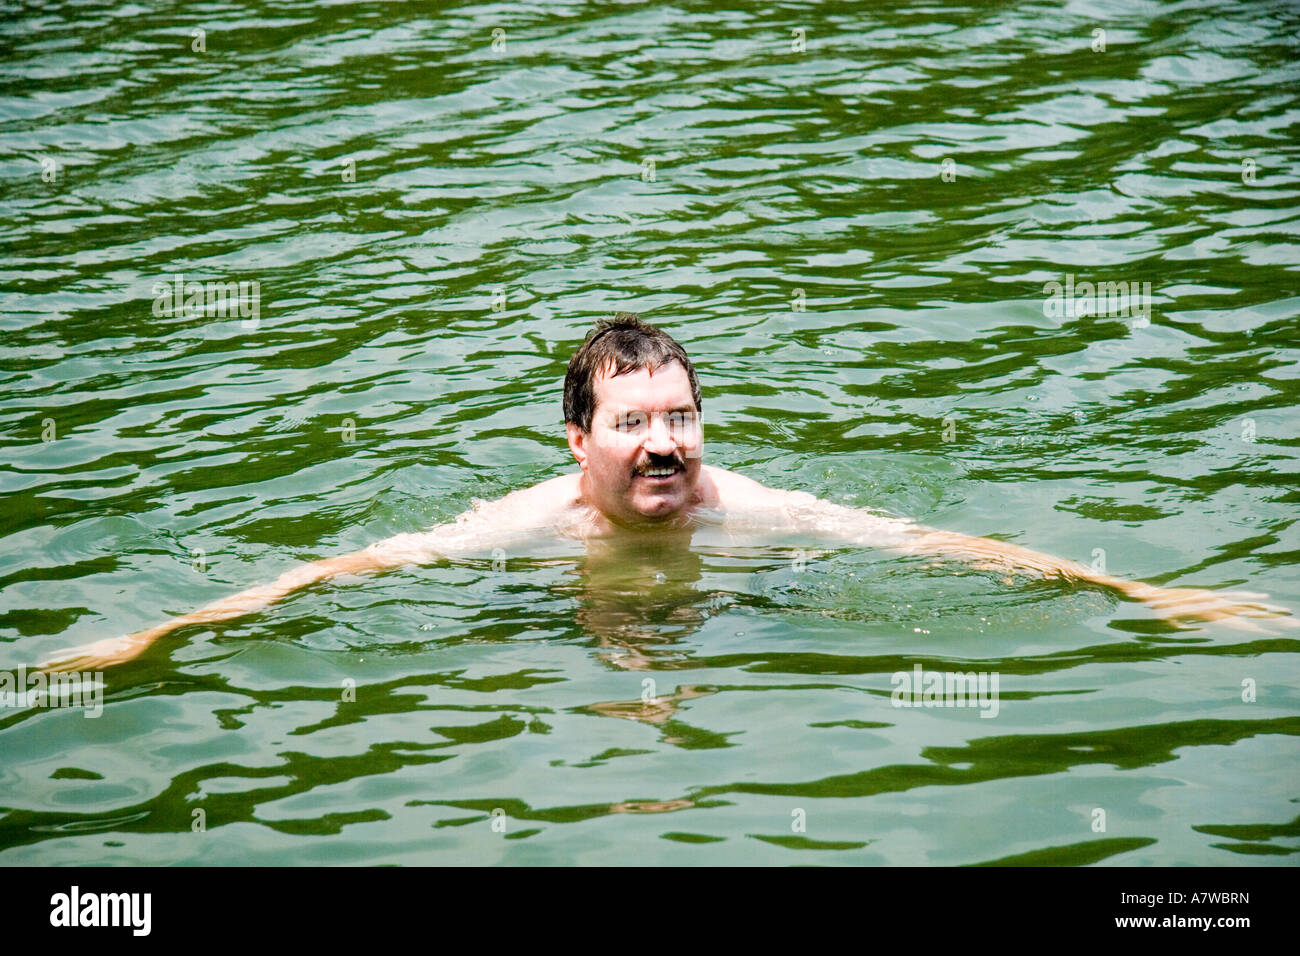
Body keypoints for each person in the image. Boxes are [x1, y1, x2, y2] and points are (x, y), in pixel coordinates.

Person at [41, 313, 1292, 672]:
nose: (664, 446)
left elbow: (939, 543)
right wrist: (156, 631)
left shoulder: (747, 508)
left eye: (680, 419)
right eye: (634, 423)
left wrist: (1153, 595)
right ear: (578, 438)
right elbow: (345, 572)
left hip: (739, 605)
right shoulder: (526, 523)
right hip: (566, 609)